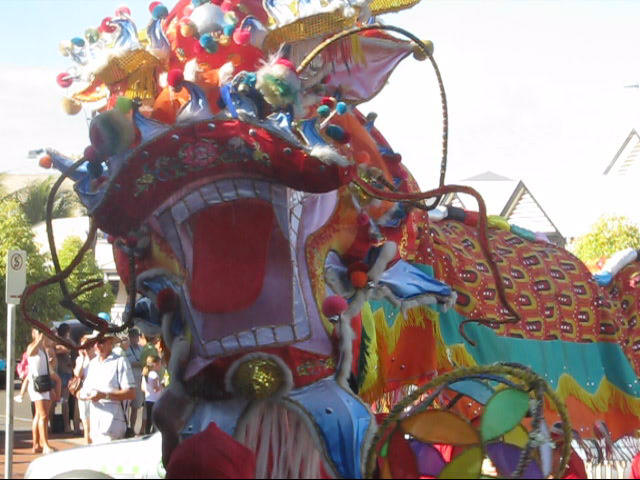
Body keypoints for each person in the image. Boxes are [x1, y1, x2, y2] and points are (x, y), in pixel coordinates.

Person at [79, 331, 136, 444]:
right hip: (95, 427)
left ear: (110, 342)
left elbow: (131, 393)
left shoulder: (120, 361)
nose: (97, 346)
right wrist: (81, 394)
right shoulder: (93, 363)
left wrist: (104, 395)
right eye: (95, 342)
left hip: (113, 426)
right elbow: (84, 391)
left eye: (101, 342)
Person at [26, 329, 56, 454]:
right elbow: (30, 353)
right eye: (39, 332)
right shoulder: (33, 346)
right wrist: (39, 340)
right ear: (34, 334)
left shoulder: (43, 349)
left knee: (39, 415)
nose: (42, 335)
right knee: (43, 415)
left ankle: (37, 444)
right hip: (38, 385)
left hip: (44, 384)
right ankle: (45, 445)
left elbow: (47, 368)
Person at [73, 334, 95, 444]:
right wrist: (82, 358)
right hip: (84, 392)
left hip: (95, 393)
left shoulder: (98, 358)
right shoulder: (80, 359)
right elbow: (78, 374)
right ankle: (87, 441)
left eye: (88, 346)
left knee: (94, 421)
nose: (86, 349)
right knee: (85, 421)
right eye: (83, 347)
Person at [54, 323, 76, 434]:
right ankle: (63, 425)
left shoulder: (62, 341)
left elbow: (72, 348)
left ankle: (65, 425)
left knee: (64, 401)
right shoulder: (58, 342)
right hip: (61, 373)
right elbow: (65, 349)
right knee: (62, 401)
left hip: (65, 373)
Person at [124, 328, 144, 435]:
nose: (135, 338)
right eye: (133, 336)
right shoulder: (126, 350)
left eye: (136, 336)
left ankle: (132, 428)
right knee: (126, 407)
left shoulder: (142, 349)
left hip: (139, 380)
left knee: (136, 407)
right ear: (130, 337)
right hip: (129, 381)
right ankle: (125, 427)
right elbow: (130, 363)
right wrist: (141, 363)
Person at [141, 354, 164, 434]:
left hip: (148, 399)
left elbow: (143, 388)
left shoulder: (145, 374)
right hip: (155, 399)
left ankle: (147, 432)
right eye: (160, 363)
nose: (160, 366)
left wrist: (149, 391)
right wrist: (162, 385)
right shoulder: (154, 374)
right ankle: (153, 433)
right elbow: (155, 388)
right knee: (154, 418)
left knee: (149, 418)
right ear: (155, 364)